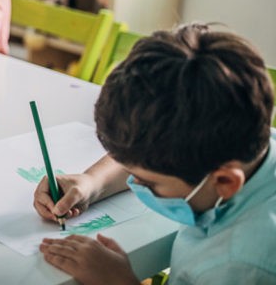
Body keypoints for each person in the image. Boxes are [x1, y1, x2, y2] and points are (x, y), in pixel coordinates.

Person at [33, 24, 276, 285]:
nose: (135, 185)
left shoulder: (239, 267)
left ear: (225, 182)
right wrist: (91, 182)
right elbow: (150, 155)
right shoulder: (247, 142)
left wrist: (121, 281)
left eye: (148, 183)